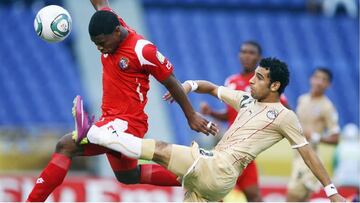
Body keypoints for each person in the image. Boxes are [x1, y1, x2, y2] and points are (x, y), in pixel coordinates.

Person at [26, 0, 217, 201]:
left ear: (117, 32)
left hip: (127, 123)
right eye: (95, 44)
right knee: (127, 176)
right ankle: (200, 180)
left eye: (102, 42)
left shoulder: (143, 50)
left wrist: (191, 115)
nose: (100, 48)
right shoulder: (110, 23)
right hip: (110, 119)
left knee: (65, 145)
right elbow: (101, 4)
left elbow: (171, 82)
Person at [80, 57, 346, 202]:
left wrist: (332, 193)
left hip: (220, 168)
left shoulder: (285, 116)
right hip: (211, 181)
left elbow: (308, 153)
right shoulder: (246, 100)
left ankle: (97, 133)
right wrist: (188, 86)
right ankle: (101, 135)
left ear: (275, 86)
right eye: (253, 75)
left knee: (160, 150)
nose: (251, 80)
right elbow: (212, 87)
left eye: (259, 78)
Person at [198, 41, 287, 202]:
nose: (246, 55)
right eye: (243, 51)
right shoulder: (231, 81)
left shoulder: (267, 85)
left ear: (259, 58)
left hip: (246, 151)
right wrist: (211, 112)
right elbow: (230, 114)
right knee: (214, 194)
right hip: (229, 147)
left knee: (253, 197)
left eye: (251, 52)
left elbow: (285, 111)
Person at [286, 67, 340, 202]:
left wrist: (315, 136)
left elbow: (335, 138)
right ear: (311, 79)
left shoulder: (327, 106)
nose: (319, 82)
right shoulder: (302, 99)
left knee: (291, 198)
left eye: (324, 80)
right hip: (297, 156)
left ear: (329, 84)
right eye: (317, 78)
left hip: (309, 159)